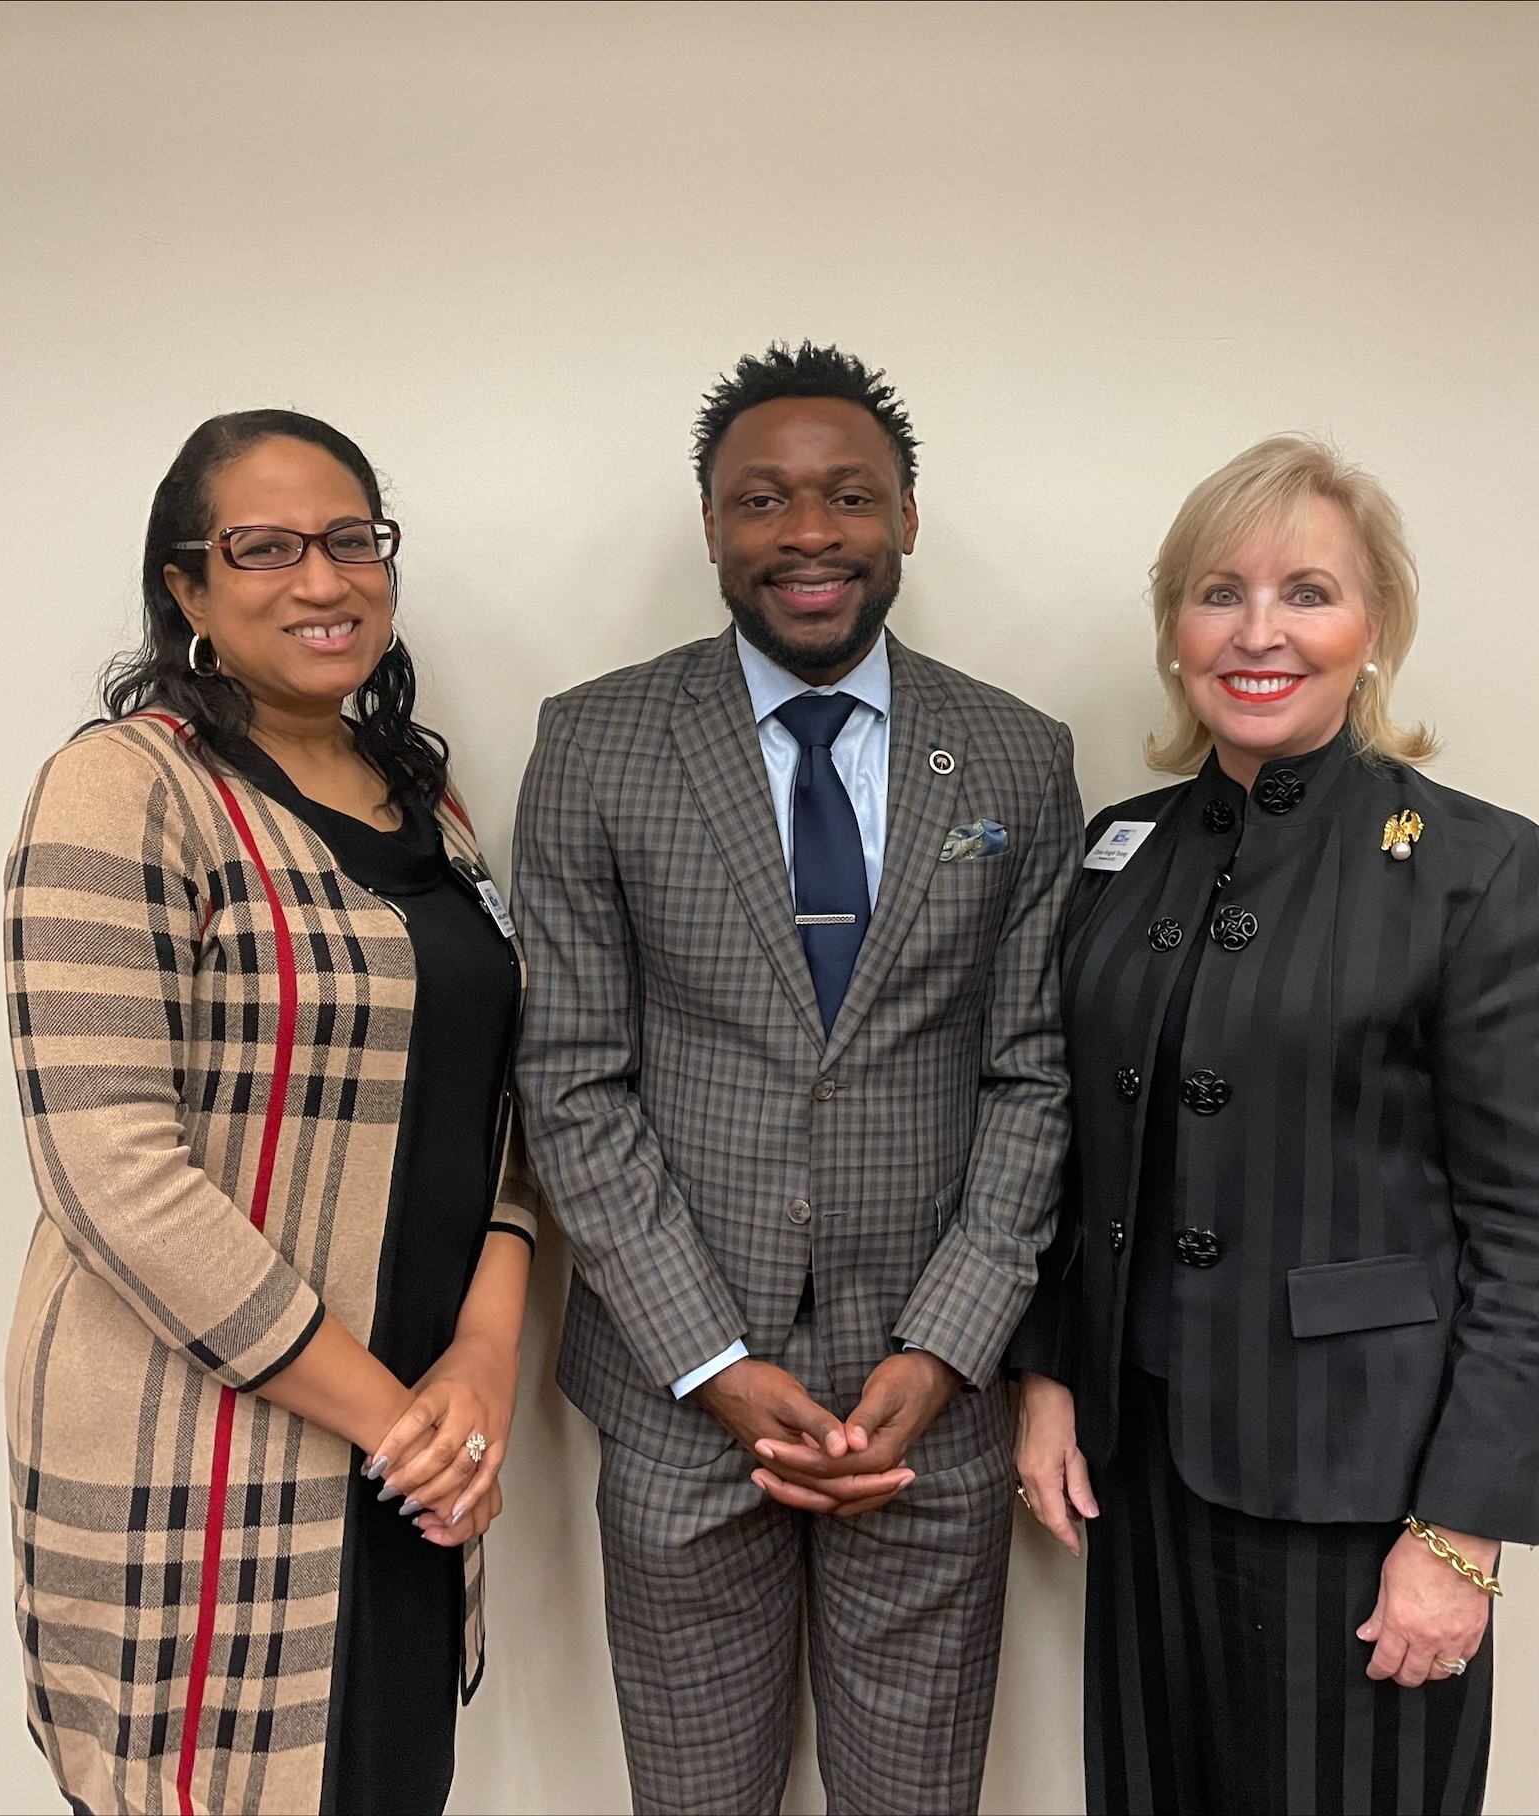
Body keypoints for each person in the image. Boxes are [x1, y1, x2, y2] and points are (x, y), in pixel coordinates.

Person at [511, 344, 1078, 1816]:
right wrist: (710, 1363)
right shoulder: (595, 743)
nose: (808, 533)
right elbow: (573, 1079)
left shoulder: (1016, 757)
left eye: (848, 497)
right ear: (711, 525)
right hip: (680, 1394)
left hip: (927, 1406)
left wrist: (945, 1348)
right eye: (762, 499)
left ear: (905, 519)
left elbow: (1034, 1078)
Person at [1008, 435, 1539, 1815]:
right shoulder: (1121, 850)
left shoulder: (1475, 869)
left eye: (1308, 592)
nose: (1259, 631)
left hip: (1362, 1486)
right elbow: (1080, 1140)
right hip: (1142, 1465)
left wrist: (1460, 1534)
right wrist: (1047, 1375)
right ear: (1173, 630)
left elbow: (1536, 1228)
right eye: (1219, 592)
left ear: (1374, 626)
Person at [1, 410, 540, 1816]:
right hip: (207, 1453)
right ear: (186, 589)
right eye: (266, 548)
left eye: (353, 540)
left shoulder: (436, 806)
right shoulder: (124, 789)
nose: (324, 580)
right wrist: (386, 1416)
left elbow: (494, 1121)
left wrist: (481, 1363)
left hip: (420, 1458)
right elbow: (110, 1166)